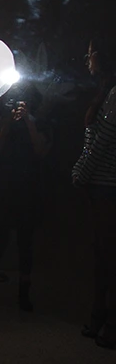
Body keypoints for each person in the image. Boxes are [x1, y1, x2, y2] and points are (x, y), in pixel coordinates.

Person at [0, 93, 50, 314]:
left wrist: (28, 121)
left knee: (25, 245)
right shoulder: (4, 121)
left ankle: (24, 295)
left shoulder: (41, 122)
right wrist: (7, 126)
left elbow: (41, 150)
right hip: (5, 188)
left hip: (28, 190)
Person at [72, 38, 116, 350]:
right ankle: (100, 317)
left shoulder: (113, 94)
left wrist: (81, 172)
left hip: (107, 186)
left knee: (108, 258)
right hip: (101, 185)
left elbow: (102, 141)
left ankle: (108, 323)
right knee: (102, 257)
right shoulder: (106, 92)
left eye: (90, 54)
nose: (87, 59)